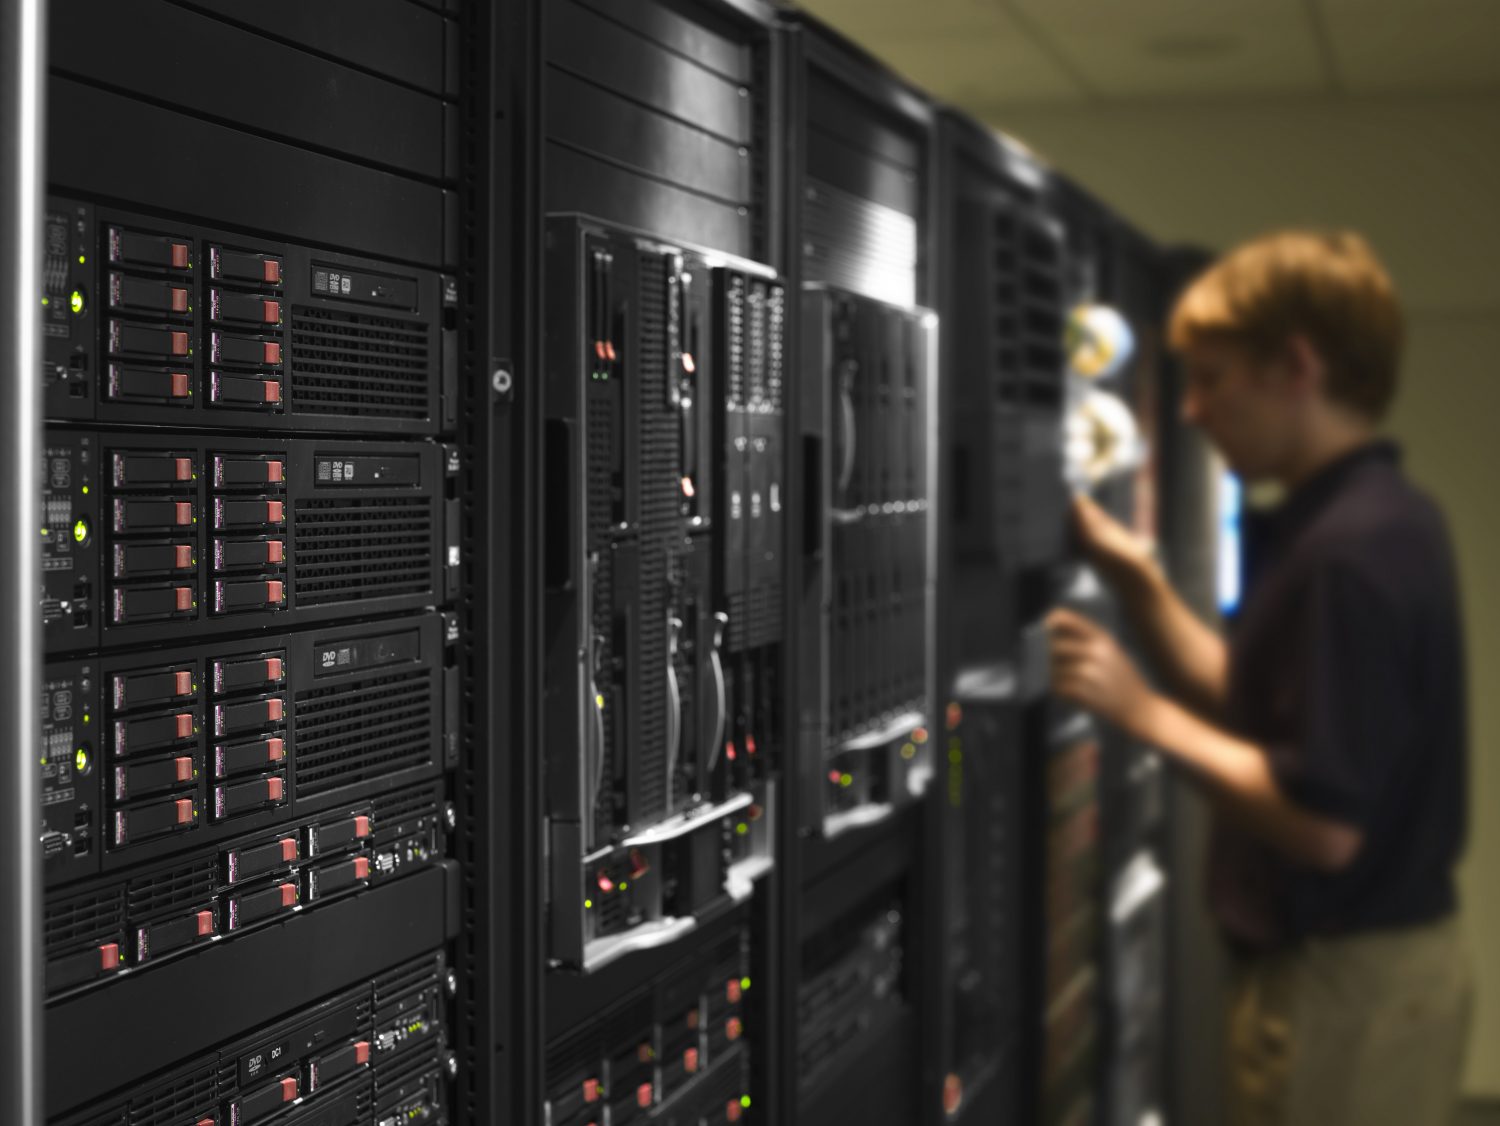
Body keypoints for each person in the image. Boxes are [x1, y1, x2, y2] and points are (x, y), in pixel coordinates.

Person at [1047, 230, 1472, 1125]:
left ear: (1297, 367)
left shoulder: (1349, 557)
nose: (1193, 411)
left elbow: (1325, 829)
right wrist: (1139, 580)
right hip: (1360, 976)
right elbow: (1260, 707)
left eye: (1211, 378)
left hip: (1344, 990)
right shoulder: (1374, 519)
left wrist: (1140, 711)